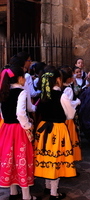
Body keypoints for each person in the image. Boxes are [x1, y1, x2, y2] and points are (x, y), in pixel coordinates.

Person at [34, 66, 77, 200]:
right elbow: (70, 115)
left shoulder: (43, 95)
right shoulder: (62, 96)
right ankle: (54, 193)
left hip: (43, 130)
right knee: (56, 159)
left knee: (48, 158)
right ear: (58, 79)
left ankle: (47, 187)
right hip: (58, 130)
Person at [0, 65, 35, 200]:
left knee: (10, 160)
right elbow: (20, 113)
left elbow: (2, 113)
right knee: (22, 160)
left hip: (6, 129)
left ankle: (13, 192)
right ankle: (26, 196)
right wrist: (27, 125)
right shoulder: (21, 92)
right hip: (19, 130)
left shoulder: (4, 92)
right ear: (20, 78)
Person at [60, 65, 82, 162]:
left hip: (61, 117)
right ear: (68, 79)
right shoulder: (68, 89)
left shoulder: (59, 88)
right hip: (69, 118)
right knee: (71, 138)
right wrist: (77, 102)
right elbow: (69, 104)